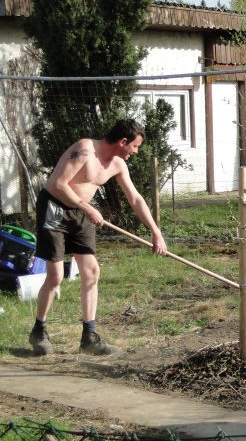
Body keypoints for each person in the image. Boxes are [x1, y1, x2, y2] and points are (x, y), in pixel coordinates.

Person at [29, 118, 167, 356]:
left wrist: (156, 232)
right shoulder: (84, 150)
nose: (135, 152)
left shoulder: (117, 165)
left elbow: (135, 199)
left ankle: (89, 337)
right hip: (54, 208)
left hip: (82, 212)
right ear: (123, 142)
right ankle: (39, 330)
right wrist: (88, 207)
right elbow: (57, 184)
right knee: (55, 276)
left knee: (92, 271)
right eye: (134, 147)